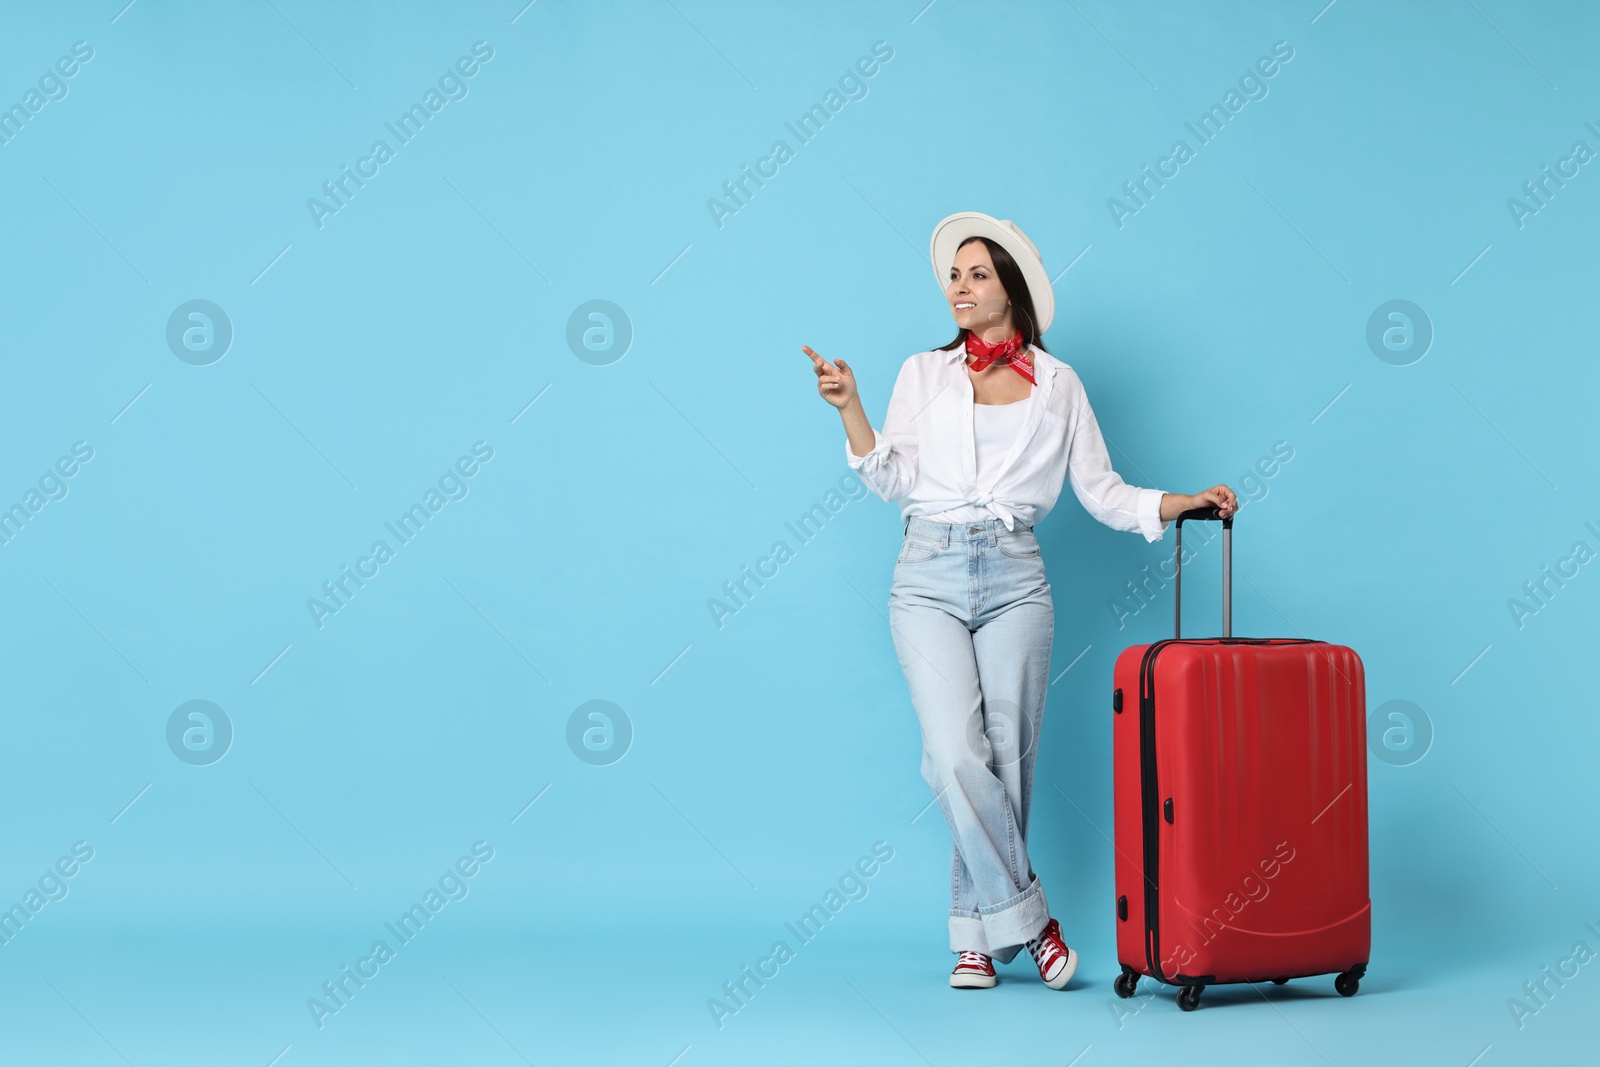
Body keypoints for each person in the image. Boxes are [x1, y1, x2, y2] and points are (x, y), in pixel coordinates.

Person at [803, 212, 1237, 991]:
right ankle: (1033, 923)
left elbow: (1103, 493)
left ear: (1013, 288)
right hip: (927, 572)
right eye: (954, 276)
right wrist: (849, 408)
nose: (959, 287)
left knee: (1007, 760)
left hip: (1017, 580)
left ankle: (975, 939)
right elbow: (893, 479)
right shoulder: (921, 373)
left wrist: (1184, 502)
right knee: (953, 753)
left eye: (976, 274)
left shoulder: (1060, 385)